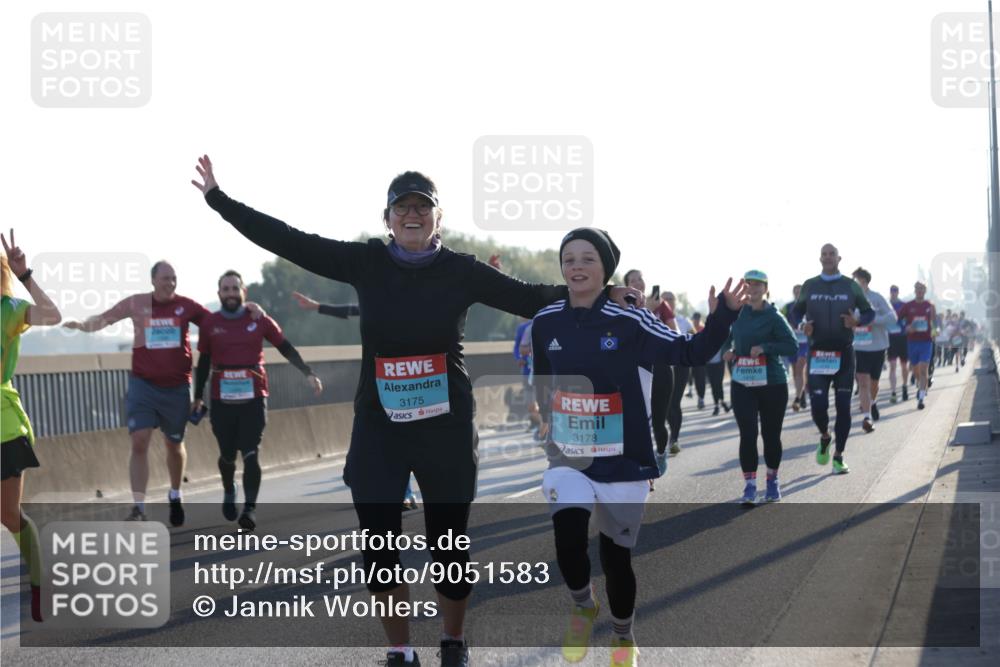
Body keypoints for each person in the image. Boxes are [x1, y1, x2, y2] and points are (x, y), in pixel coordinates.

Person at [192, 156, 641, 667]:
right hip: (380, 428)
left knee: (448, 547)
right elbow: (288, 240)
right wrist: (219, 200)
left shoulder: (461, 270)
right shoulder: (365, 262)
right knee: (380, 546)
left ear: (437, 219)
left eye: (422, 208)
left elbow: (530, 297)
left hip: (445, 430)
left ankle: (452, 640)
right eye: (402, 207)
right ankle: (400, 648)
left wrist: (599, 294)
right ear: (387, 219)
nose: (412, 215)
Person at [532, 228, 745, 667]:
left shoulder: (631, 320)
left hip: (624, 458)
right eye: (568, 258)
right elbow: (543, 377)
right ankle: (582, 606)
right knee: (568, 539)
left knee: (616, 559)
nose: (576, 267)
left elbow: (691, 352)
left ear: (605, 269)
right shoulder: (546, 320)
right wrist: (547, 418)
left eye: (587, 258)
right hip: (569, 456)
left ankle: (624, 635)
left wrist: (723, 315)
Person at [63, 261, 263, 524]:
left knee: (174, 443)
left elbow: (219, 320)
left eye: (174, 279)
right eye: (165, 278)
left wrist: (250, 308)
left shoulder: (186, 306)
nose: (170, 283)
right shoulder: (137, 303)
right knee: (139, 441)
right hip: (143, 385)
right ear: (153, 280)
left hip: (176, 387)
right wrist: (81, 325)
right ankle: (139, 508)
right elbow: (104, 319)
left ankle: (175, 493)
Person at [190, 271, 322, 530]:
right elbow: (204, 361)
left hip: (254, 396)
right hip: (222, 399)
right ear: (219, 294)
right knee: (227, 455)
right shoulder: (210, 324)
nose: (230, 293)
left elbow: (285, 346)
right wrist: (197, 397)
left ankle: (249, 509)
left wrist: (308, 373)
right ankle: (229, 489)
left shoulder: (259, 319)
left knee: (251, 453)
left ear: (244, 292)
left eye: (234, 288)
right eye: (225, 289)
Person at [293, 290, 420, 510]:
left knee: (400, 442)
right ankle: (361, 475)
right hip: (374, 390)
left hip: (405, 388)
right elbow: (352, 310)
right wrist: (317, 307)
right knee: (355, 467)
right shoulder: (379, 306)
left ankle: (405, 494)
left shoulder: (416, 309)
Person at [1, 231, 62, 623]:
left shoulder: (8, 309)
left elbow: (53, 315)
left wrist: (26, 276)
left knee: (9, 516)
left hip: (3, 428)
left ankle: (39, 584)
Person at [792, 244, 874, 474]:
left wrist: (856, 321)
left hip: (845, 353)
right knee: (818, 406)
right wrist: (802, 325)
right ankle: (825, 437)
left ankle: (838, 456)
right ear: (820, 259)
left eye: (832, 254)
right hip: (817, 353)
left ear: (839, 258)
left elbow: (869, 312)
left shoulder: (850, 286)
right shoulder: (810, 285)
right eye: (824, 254)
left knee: (843, 407)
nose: (828, 258)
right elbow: (795, 312)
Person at [721, 270, 797, 504]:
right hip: (743, 381)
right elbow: (724, 336)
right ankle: (750, 485)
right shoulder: (737, 313)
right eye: (748, 284)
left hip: (772, 382)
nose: (752, 289)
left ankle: (772, 480)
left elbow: (792, 346)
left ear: (765, 288)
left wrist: (765, 347)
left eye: (757, 285)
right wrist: (728, 350)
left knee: (771, 435)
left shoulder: (773, 316)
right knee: (748, 434)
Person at [623, 269, 676, 476]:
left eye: (640, 278)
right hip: (635, 369)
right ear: (626, 285)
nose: (638, 282)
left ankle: (661, 453)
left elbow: (675, 335)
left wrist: (653, 314)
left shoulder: (661, 306)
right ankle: (645, 468)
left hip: (661, 368)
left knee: (658, 422)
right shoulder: (622, 306)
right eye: (632, 280)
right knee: (638, 421)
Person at [850, 268, 897, 432]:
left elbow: (893, 317)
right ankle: (867, 417)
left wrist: (872, 319)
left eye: (857, 280)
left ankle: (873, 402)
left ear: (865, 281)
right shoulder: (850, 300)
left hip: (878, 346)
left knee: (874, 384)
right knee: (862, 382)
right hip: (859, 346)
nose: (855, 284)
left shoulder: (877, 298)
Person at [896, 282, 936, 410]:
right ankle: (920, 384)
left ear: (925, 291)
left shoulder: (930, 305)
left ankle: (921, 398)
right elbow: (898, 319)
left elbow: (935, 323)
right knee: (915, 369)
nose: (919, 291)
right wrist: (906, 327)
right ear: (915, 290)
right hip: (912, 341)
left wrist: (935, 331)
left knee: (924, 369)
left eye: (922, 289)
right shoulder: (908, 306)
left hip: (926, 341)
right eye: (917, 289)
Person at [663, 292, 692, 454]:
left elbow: (694, 336)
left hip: (681, 365)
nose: (667, 301)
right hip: (665, 365)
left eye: (670, 299)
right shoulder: (655, 314)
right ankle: (669, 436)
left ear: (675, 302)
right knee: (666, 405)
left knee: (674, 402)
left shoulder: (682, 320)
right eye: (664, 298)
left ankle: (674, 439)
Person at [781, 285, 810, 411]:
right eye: (796, 291)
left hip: (805, 342)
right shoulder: (787, 307)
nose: (798, 294)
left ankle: (798, 397)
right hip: (792, 342)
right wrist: (788, 328)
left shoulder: (809, 305)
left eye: (800, 291)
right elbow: (781, 320)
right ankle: (802, 393)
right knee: (795, 371)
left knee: (800, 368)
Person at [886, 285, 909, 403]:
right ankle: (893, 392)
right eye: (892, 291)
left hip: (903, 338)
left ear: (898, 292)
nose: (893, 293)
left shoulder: (904, 305)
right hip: (891, 339)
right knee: (893, 366)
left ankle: (905, 386)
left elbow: (909, 319)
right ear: (890, 292)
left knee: (904, 366)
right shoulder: (886, 305)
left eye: (895, 291)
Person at [689, 312, 708, 409]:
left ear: (699, 319)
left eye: (696, 319)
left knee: (700, 379)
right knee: (691, 377)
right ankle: (690, 391)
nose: (695, 321)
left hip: (700, 358)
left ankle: (701, 399)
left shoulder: (703, 328)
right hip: (691, 358)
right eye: (694, 319)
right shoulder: (691, 328)